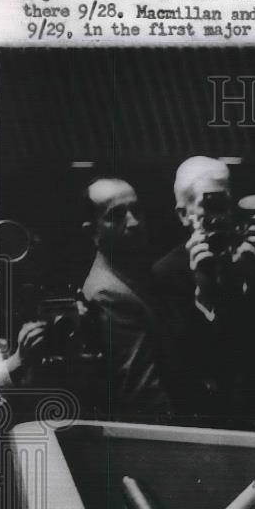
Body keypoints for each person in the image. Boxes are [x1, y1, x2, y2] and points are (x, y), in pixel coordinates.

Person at [152, 156, 255, 429]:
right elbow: (180, 368)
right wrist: (204, 297)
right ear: (183, 214)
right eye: (208, 204)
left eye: (223, 203)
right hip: (213, 419)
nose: (219, 215)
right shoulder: (168, 273)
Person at [79, 177, 172, 420]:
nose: (134, 222)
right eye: (116, 215)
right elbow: (144, 395)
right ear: (92, 231)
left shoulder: (131, 279)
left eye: (136, 210)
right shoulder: (108, 294)